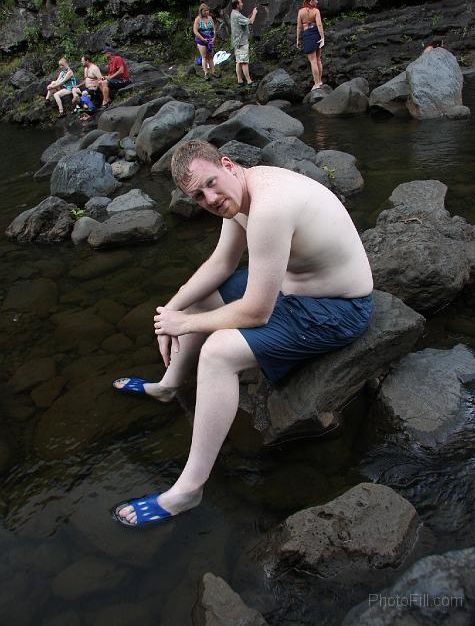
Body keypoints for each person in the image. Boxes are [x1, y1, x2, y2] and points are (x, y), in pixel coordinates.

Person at [111, 140, 374, 528]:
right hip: (292, 289)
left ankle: (188, 489)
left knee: (217, 352)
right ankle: (169, 385)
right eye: (198, 196)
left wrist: (185, 325)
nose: (210, 198)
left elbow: (256, 311)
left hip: (337, 308)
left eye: (212, 183)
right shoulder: (239, 194)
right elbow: (220, 263)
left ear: (229, 165)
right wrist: (173, 308)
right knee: (202, 298)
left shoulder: (270, 205)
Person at [296, 0, 325, 91]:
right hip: (316, 33)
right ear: (312, 0)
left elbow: (299, 26)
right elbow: (319, 24)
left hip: (307, 34)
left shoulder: (301, 11)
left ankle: (316, 83)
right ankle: (319, 81)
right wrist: (322, 37)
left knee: (313, 61)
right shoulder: (316, 11)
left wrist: (297, 38)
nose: (317, 0)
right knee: (318, 59)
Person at [230, 0, 257, 86]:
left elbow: (244, 21)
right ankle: (249, 81)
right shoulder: (237, 15)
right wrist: (254, 13)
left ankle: (240, 80)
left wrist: (249, 16)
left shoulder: (233, 13)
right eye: (241, 2)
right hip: (242, 42)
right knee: (244, 62)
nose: (242, 4)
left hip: (236, 42)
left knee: (238, 61)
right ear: (237, 5)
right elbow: (251, 22)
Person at [193, 3, 218, 80]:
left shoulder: (210, 18)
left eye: (208, 10)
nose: (207, 12)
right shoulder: (198, 19)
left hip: (209, 39)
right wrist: (202, 39)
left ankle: (213, 72)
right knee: (204, 57)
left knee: (210, 56)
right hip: (201, 40)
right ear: (201, 11)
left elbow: (214, 29)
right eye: (205, 11)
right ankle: (206, 73)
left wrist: (214, 37)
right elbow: (195, 31)